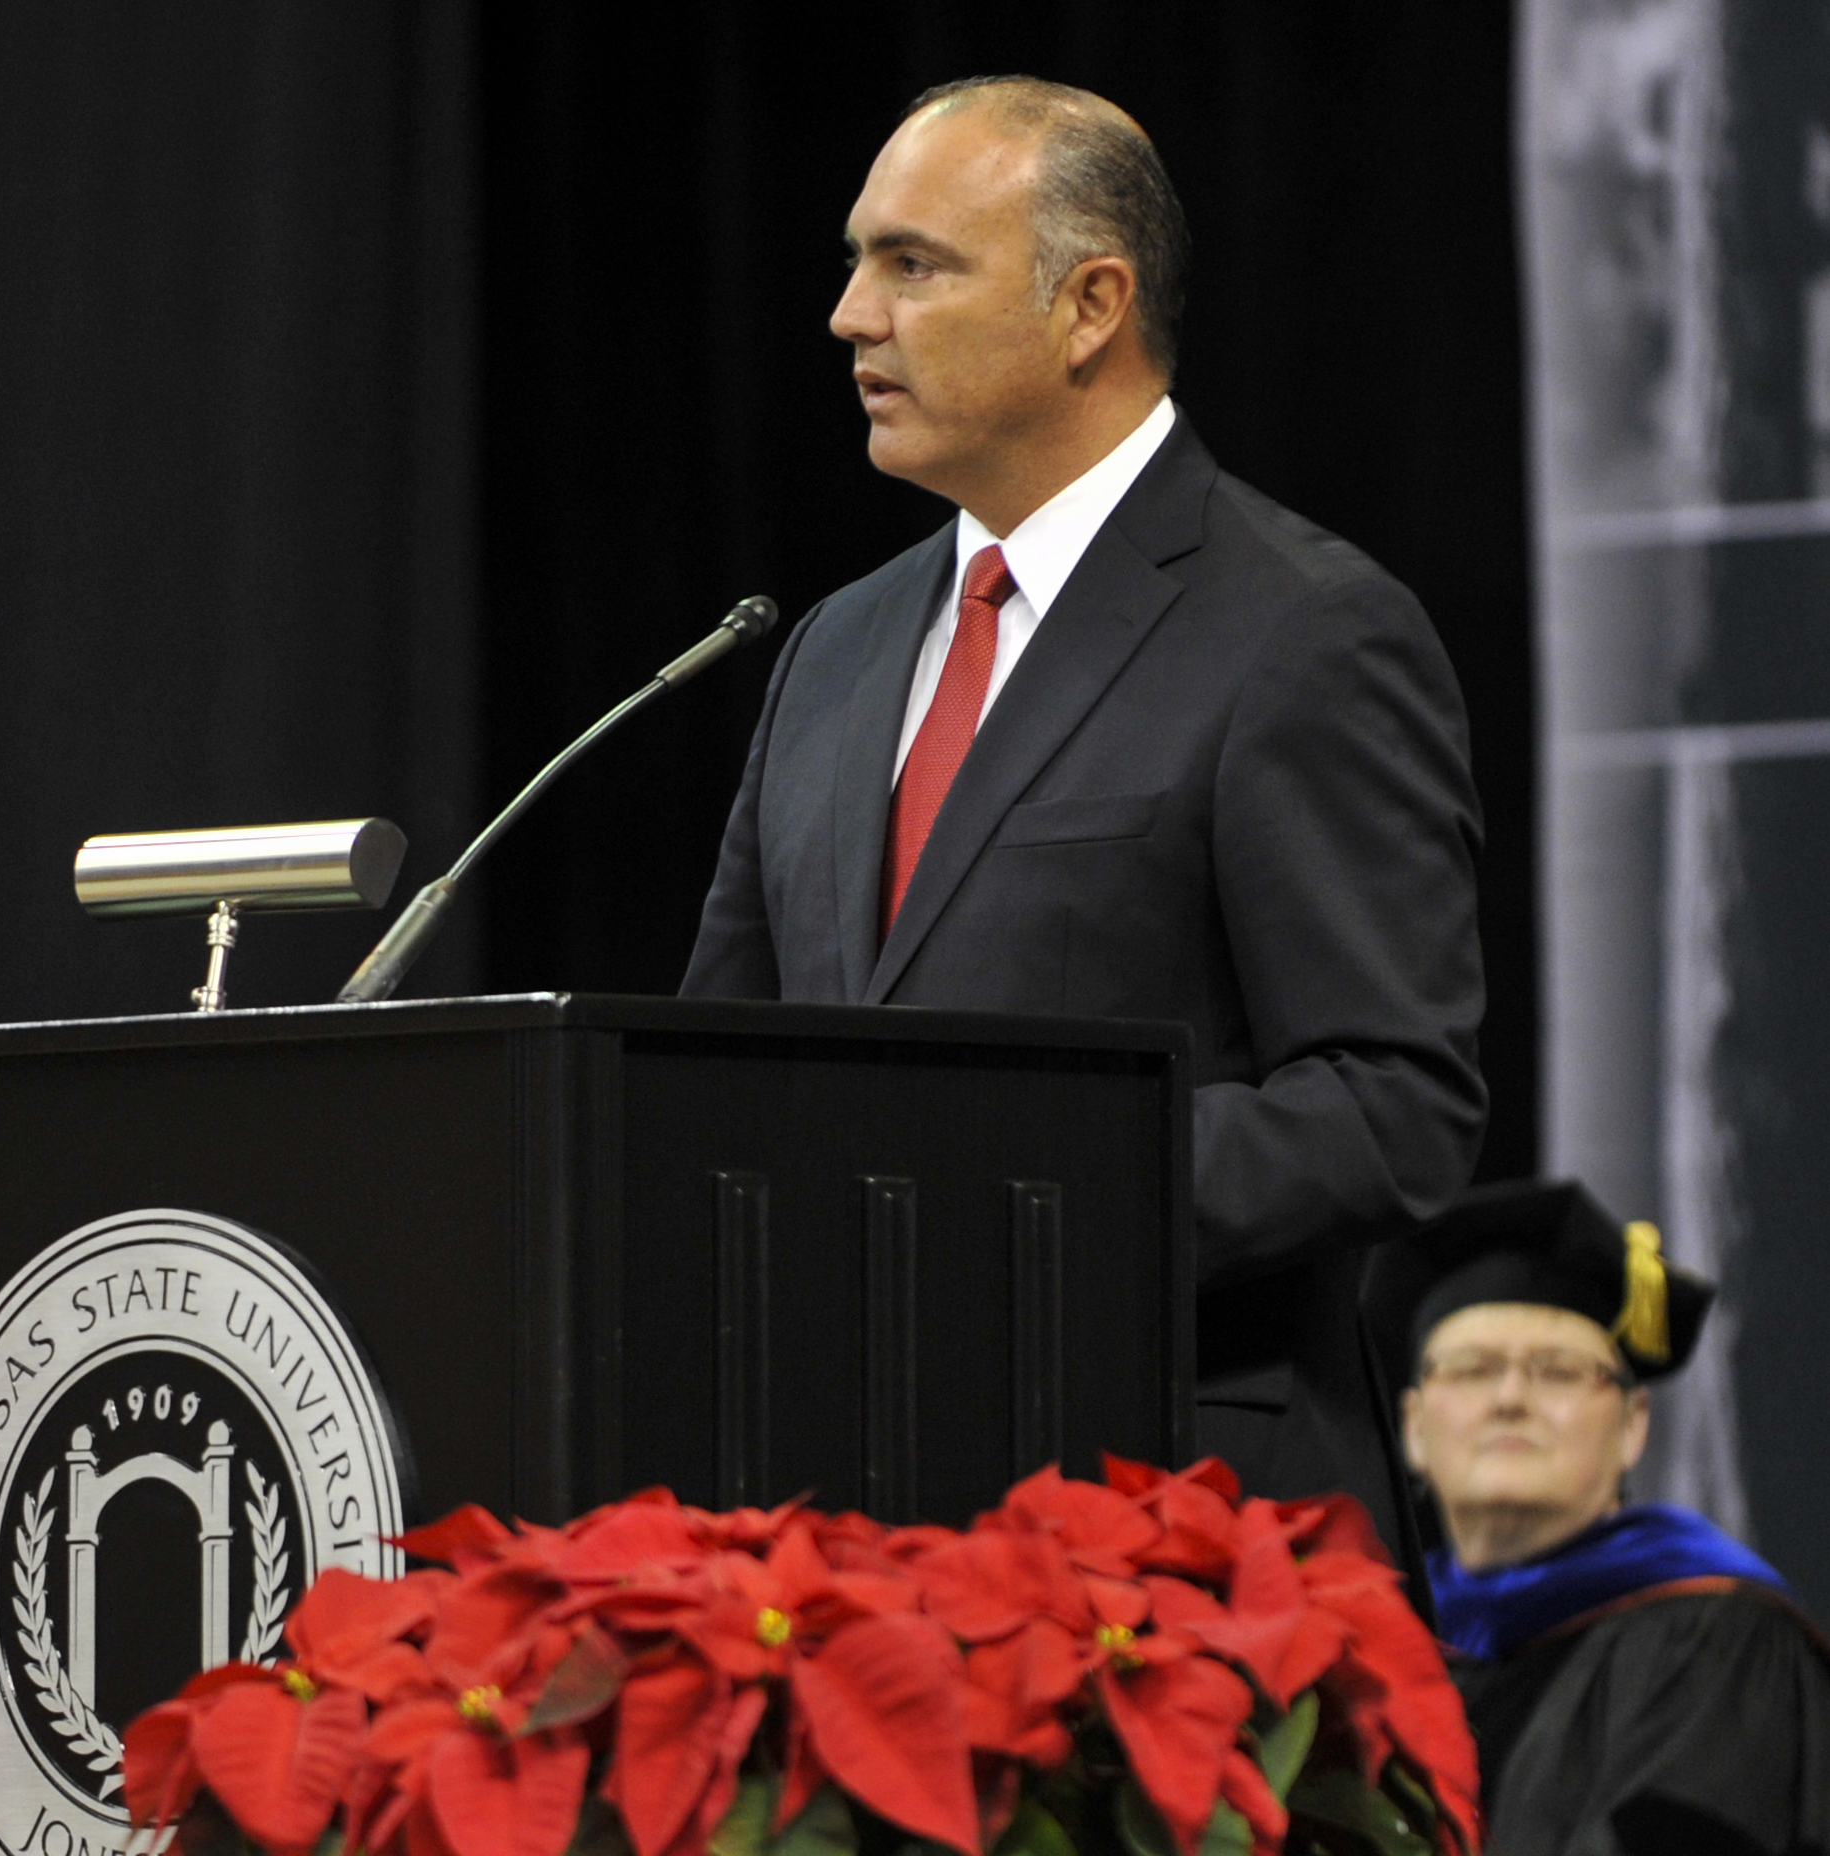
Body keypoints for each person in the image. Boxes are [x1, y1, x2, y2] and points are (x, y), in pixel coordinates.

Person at [681, 75, 1486, 1551]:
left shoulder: (1300, 630)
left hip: (1173, 1538)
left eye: (911, 265)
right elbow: (707, 1080)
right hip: (838, 1542)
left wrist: (1007, 1210)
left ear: (1088, 304)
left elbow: (1391, 1106)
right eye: (856, 261)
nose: (850, 316)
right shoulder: (835, 651)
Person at [1365, 1178, 1830, 1853]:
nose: (1509, 1398)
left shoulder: (1715, 1637)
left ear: (1631, 1425)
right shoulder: (1372, 1644)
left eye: (1555, 1370)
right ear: (1410, 1426)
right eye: (1471, 1369)